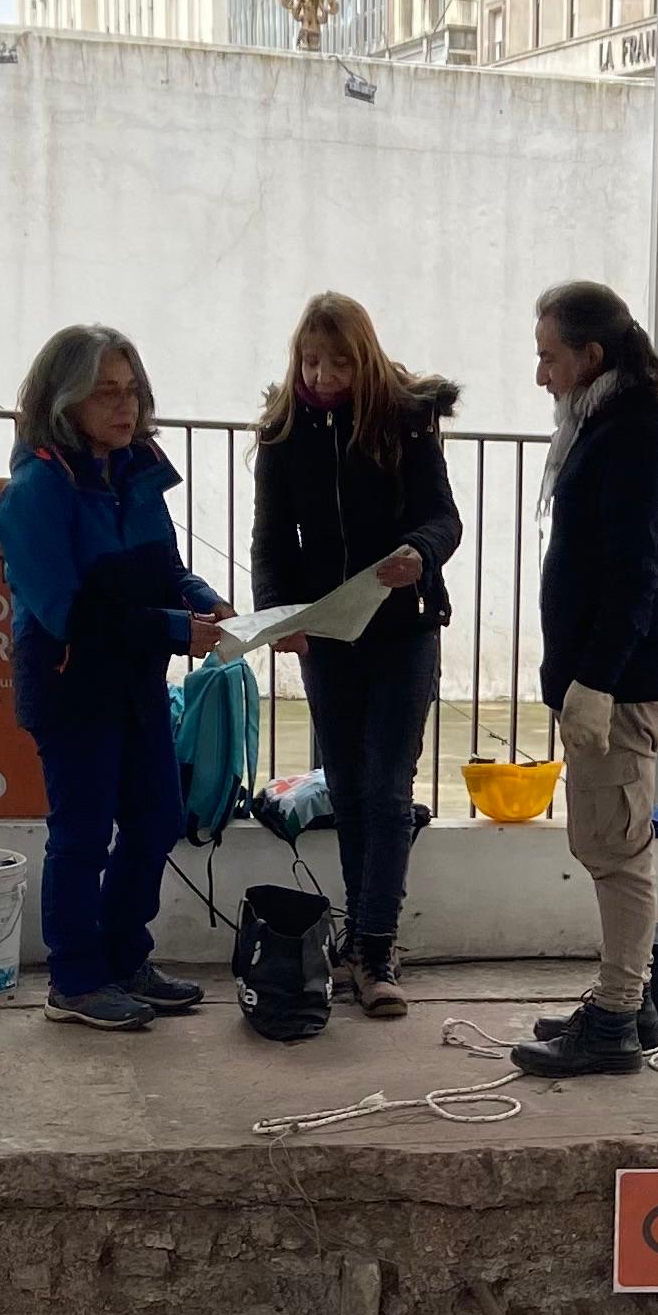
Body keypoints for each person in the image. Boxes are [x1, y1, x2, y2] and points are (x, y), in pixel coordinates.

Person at [0, 324, 231, 1030]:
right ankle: (74, 980)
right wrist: (173, 629)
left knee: (158, 819)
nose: (124, 407)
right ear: (64, 400)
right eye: (105, 392)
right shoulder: (37, 490)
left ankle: (127, 958)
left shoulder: (136, 472)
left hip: (136, 683)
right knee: (82, 834)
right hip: (72, 686)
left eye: (131, 391)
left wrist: (203, 599)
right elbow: (70, 613)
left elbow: (162, 568)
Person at [253, 292, 463, 1022]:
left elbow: (444, 518)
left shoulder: (404, 424)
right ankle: (354, 943)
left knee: (385, 785)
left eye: (339, 360)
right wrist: (280, 614)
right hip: (328, 634)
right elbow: (273, 540)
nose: (324, 373)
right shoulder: (283, 434)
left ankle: (376, 947)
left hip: (404, 629)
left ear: (364, 357)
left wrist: (421, 552)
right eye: (312, 359)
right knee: (345, 786)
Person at [512, 281, 658, 1080]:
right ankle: (635, 1000)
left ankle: (617, 1018)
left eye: (551, 356)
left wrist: (594, 681)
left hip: (619, 682)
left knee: (616, 853)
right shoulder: (613, 422)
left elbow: (633, 575)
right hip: (611, 676)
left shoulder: (629, 435)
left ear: (591, 356)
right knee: (608, 842)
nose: (541, 373)